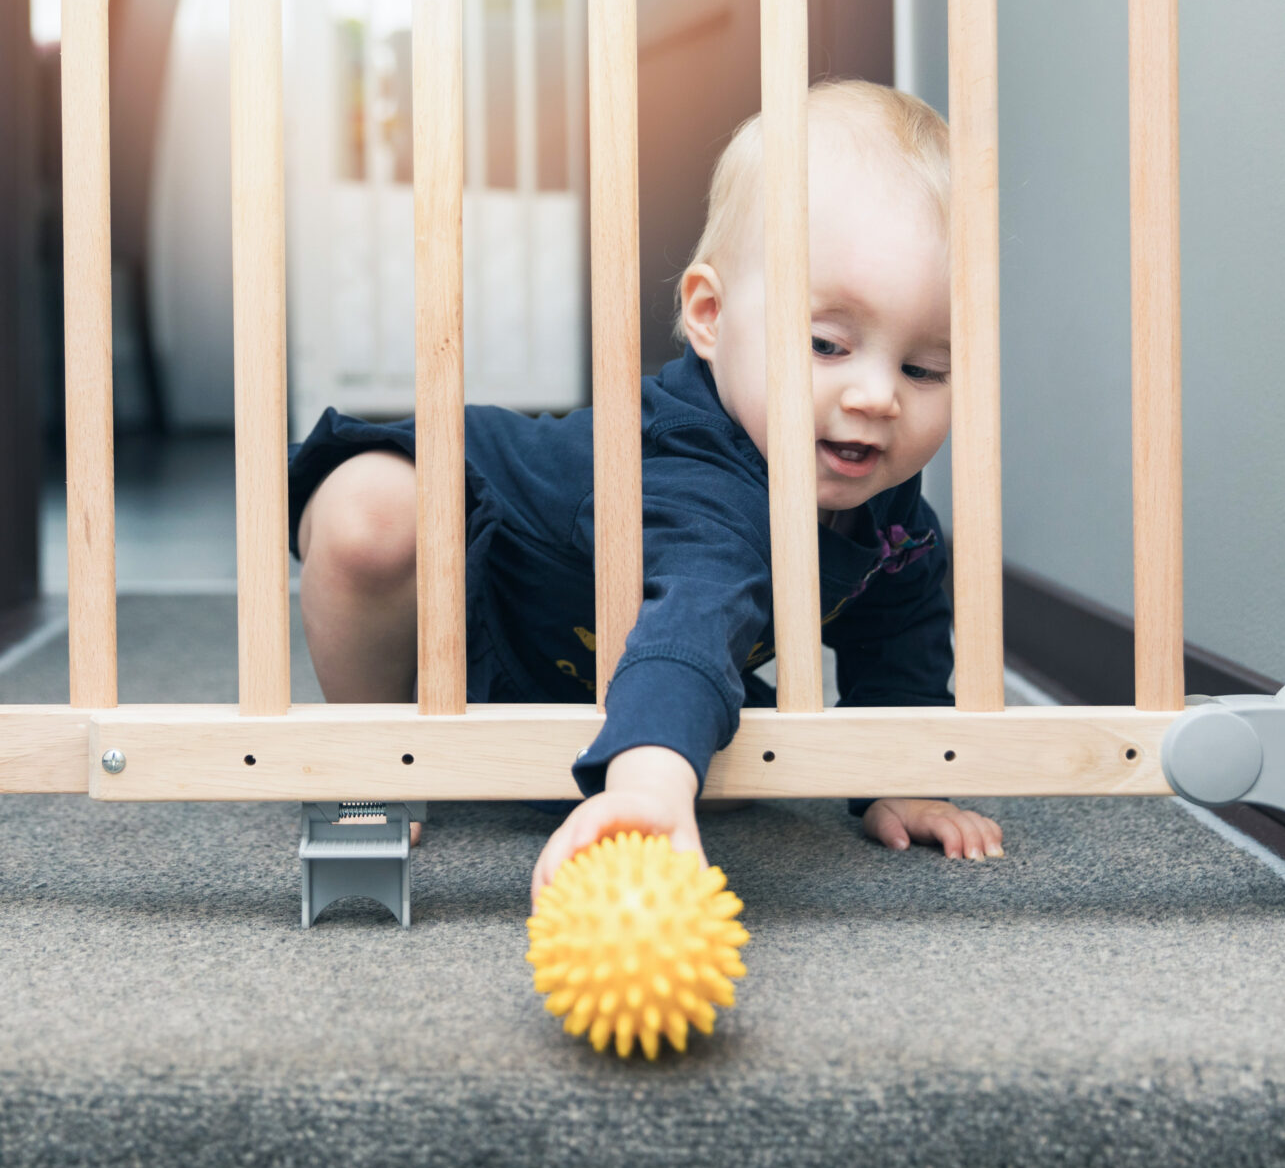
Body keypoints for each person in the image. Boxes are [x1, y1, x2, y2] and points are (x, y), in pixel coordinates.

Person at [288, 79, 1004, 901]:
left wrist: (900, 770)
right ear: (708, 314)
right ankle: (371, 754)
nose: (878, 397)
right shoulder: (698, 476)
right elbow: (692, 620)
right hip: (476, 544)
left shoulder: (883, 516)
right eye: (826, 344)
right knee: (369, 515)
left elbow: (899, 623)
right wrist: (650, 790)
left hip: (570, 648)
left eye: (924, 368)